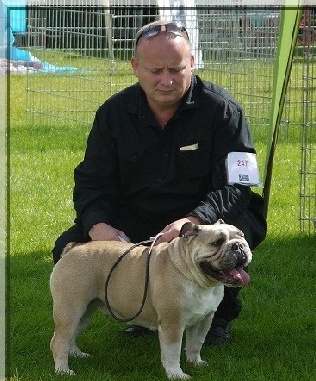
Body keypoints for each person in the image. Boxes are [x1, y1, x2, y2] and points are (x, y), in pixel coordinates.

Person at [52, 20, 267, 346]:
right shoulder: (113, 114)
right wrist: (98, 226)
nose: (166, 80)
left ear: (192, 63)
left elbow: (238, 186)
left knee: (239, 225)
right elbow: (91, 181)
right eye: (155, 71)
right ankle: (141, 309)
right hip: (138, 219)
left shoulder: (224, 112)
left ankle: (219, 313)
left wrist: (195, 220)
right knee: (71, 247)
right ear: (135, 67)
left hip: (200, 221)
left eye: (176, 69)